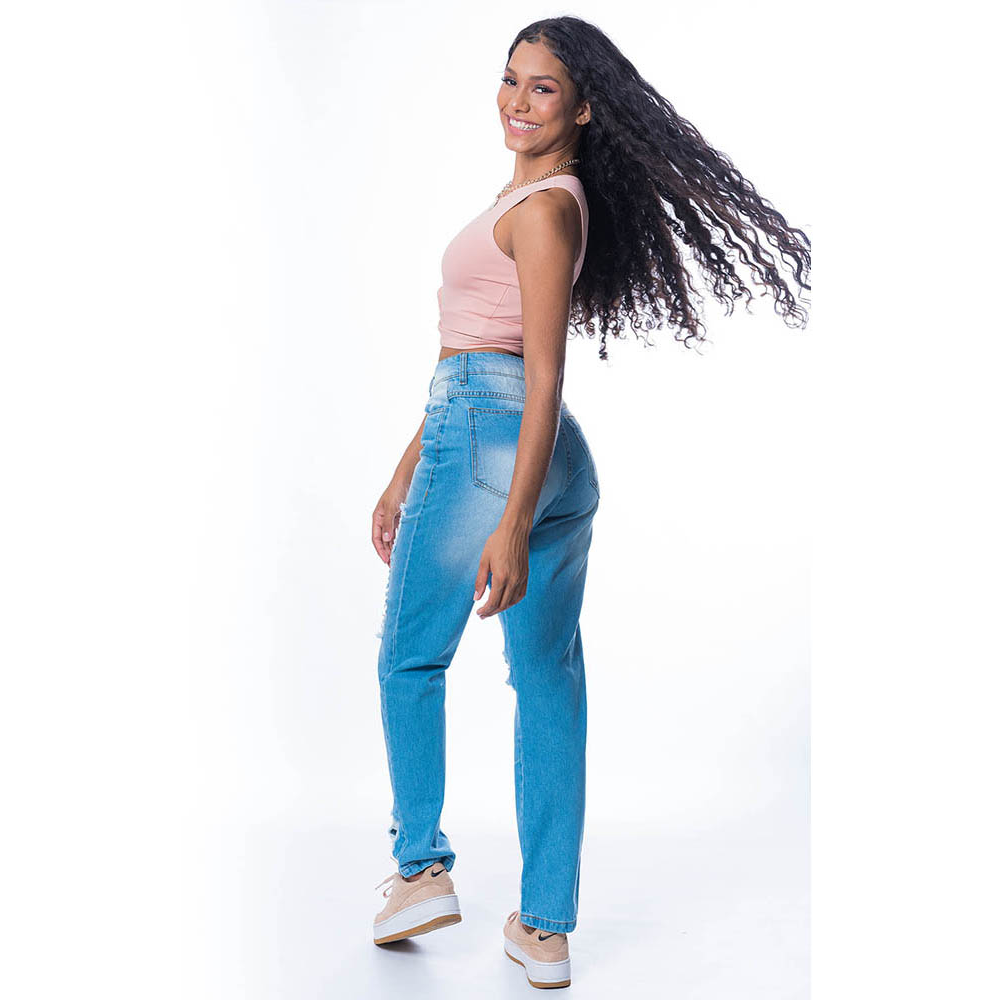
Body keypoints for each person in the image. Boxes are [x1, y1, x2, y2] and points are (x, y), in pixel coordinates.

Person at [369, 16, 810, 990]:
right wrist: (405, 468)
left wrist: (510, 520)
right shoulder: (534, 197)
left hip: (496, 444)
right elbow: (470, 346)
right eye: (510, 79)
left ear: (582, 109)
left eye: (543, 88)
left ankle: (420, 869)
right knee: (547, 679)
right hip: (537, 454)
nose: (517, 101)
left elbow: (536, 373)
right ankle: (543, 928)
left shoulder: (540, 211)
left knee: (410, 656)